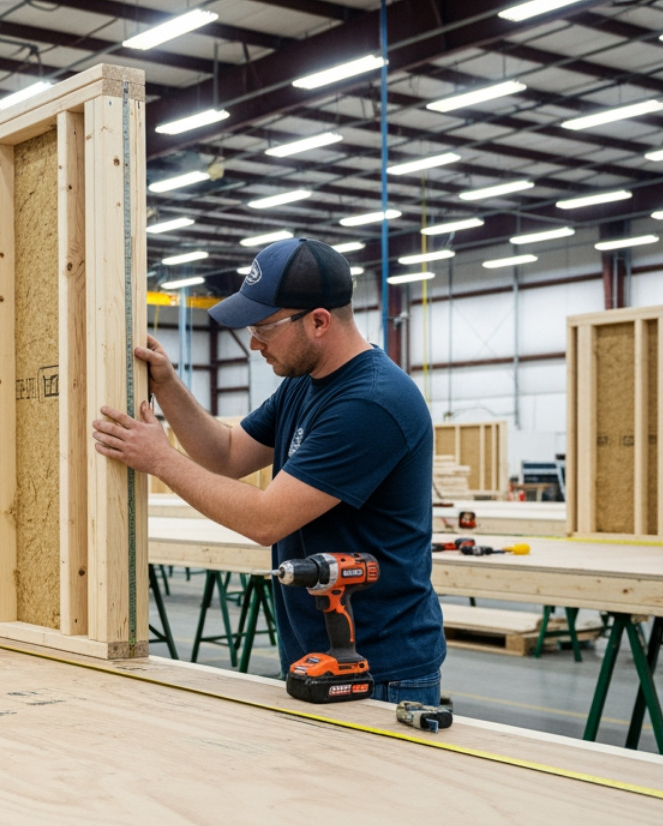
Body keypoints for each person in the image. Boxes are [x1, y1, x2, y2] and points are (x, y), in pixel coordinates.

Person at [92, 238, 444, 704]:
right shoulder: (304, 384)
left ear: (318, 321)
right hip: (318, 653)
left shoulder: (371, 402)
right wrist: (168, 385)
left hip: (380, 668)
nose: (254, 344)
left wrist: (159, 459)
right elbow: (228, 454)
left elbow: (266, 519)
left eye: (265, 329)